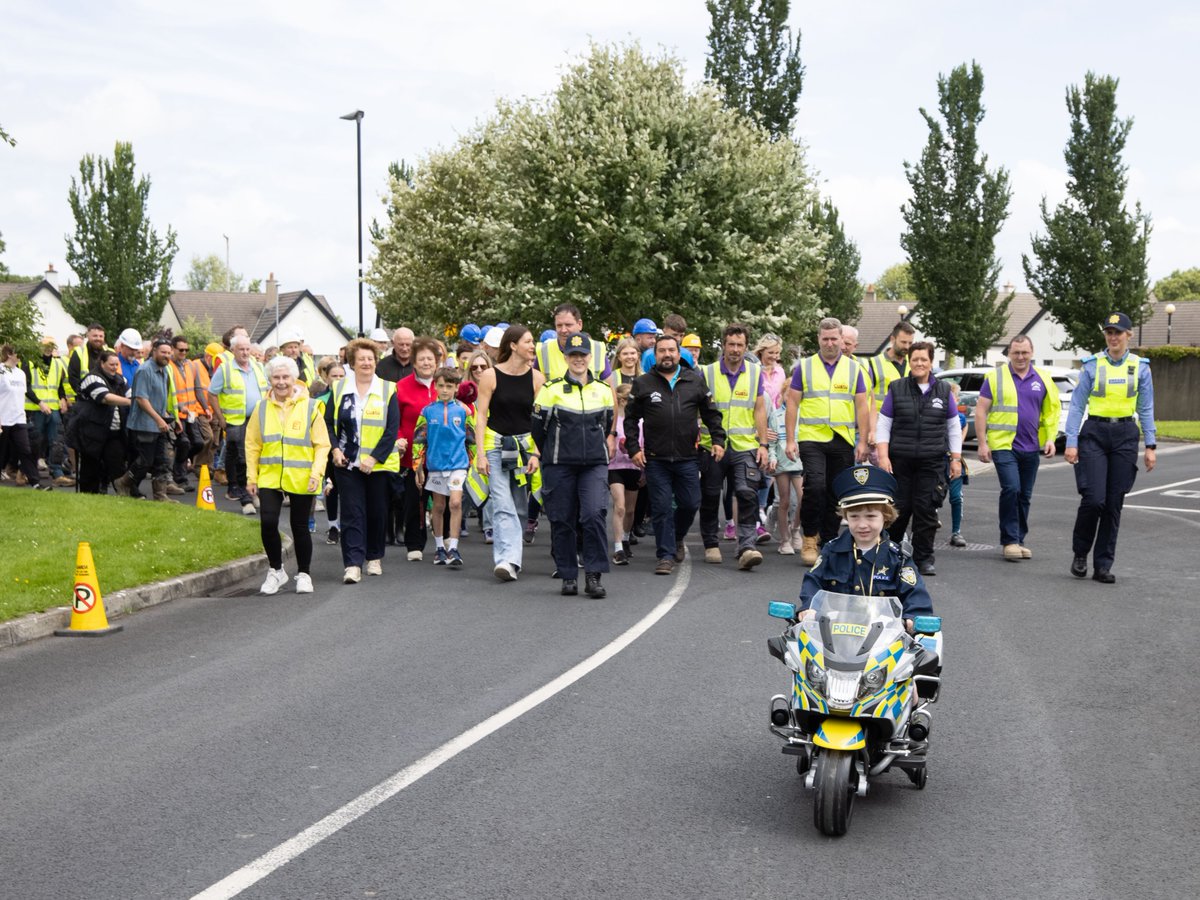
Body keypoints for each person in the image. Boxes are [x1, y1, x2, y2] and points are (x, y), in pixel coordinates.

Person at [1063, 312, 1157, 584]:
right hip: (1094, 434)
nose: (1113, 337)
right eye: (1109, 332)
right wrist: (1071, 442)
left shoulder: (1141, 367)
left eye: (1118, 332)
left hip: (1126, 435)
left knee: (1114, 504)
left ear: (1129, 335)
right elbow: (1077, 406)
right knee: (1094, 499)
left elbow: (1146, 407)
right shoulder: (1092, 365)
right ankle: (1080, 553)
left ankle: (1102, 565)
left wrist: (1150, 445)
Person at [625, 335, 725, 574]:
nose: (667, 355)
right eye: (662, 351)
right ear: (655, 354)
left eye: (671, 350)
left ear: (679, 354)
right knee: (660, 508)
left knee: (690, 503)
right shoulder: (643, 383)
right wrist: (633, 449)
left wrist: (718, 440)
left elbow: (711, 414)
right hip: (655, 458)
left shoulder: (695, 381)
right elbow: (630, 419)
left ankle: (677, 536)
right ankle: (665, 556)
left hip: (688, 457)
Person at [798, 464, 934, 630]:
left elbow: (915, 593)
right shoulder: (831, 551)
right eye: (854, 517)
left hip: (883, 639)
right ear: (845, 516)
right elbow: (813, 581)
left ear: (886, 516)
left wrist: (913, 616)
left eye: (870, 516)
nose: (862, 524)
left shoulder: (898, 558)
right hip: (833, 635)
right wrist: (808, 607)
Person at [531, 333, 614, 598]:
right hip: (559, 464)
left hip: (594, 464)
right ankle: (568, 575)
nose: (578, 360)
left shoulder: (602, 390)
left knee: (593, 515)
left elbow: (607, 423)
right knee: (562, 519)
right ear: (566, 358)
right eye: (573, 355)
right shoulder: (550, 389)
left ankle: (593, 575)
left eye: (583, 355)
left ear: (590, 358)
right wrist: (552, 454)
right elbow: (537, 429)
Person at [785, 317, 870, 565]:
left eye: (834, 339)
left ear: (842, 340)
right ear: (818, 339)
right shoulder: (805, 367)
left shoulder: (854, 369)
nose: (830, 343)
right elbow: (792, 403)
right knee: (815, 486)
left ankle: (830, 540)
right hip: (812, 437)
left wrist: (862, 441)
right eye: (826, 339)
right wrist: (790, 440)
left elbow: (862, 406)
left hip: (842, 438)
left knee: (837, 492)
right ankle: (810, 536)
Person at [874, 342, 962, 577]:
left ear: (931, 362)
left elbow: (953, 427)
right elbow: (884, 424)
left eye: (924, 359)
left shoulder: (944, 391)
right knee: (898, 510)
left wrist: (956, 459)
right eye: (915, 360)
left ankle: (924, 558)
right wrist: (883, 456)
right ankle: (889, 556)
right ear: (910, 362)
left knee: (926, 510)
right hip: (900, 461)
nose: (919, 363)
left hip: (932, 462)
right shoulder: (897, 388)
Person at [246, 355, 331, 595]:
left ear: (295, 379)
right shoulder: (261, 408)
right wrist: (252, 476)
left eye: (286, 377)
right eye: (276, 377)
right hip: (270, 476)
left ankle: (304, 573)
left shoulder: (311, 407)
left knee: (299, 526)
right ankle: (276, 571)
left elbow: (322, 445)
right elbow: (252, 444)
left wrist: (317, 473)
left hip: (302, 475)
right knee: (269, 523)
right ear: (269, 379)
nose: (281, 382)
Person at [975, 335, 1062, 561]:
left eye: (1024, 352)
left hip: (1031, 446)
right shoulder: (995, 377)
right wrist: (983, 443)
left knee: (1025, 495)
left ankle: (1019, 539)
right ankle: (1009, 541)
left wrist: (1051, 439)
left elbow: (1052, 412)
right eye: (1016, 353)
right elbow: (981, 410)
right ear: (1009, 354)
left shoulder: (1043, 378)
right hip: (1004, 444)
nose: (1021, 357)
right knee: (1012, 489)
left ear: (1032, 353)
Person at [469, 324, 545, 582]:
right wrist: (480, 454)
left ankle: (514, 559)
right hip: (495, 446)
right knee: (502, 504)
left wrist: (535, 453)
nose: (532, 346)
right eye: (528, 341)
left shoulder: (537, 379)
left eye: (533, 341)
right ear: (513, 345)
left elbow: (539, 420)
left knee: (520, 507)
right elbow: (480, 416)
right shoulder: (490, 376)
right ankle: (506, 560)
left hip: (524, 448)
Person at [326, 338, 401, 583]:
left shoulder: (388, 389)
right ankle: (353, 564)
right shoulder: (339, 389)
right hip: (346, 463)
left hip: (377, 465)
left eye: (370, 358)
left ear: (375, 362)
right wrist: (335, 449)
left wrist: (374, 457)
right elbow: (327, 423)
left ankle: (374, 556)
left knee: (377, 512)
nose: (366, 363)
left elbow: (392, 429)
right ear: (352, 362)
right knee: (352, 513)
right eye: (361, 359)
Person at [698, 324, 770, 571]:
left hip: (744, 445)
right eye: (731, 344)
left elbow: (759, 409)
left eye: (740, 345)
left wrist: (763, 444)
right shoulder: (706, 373)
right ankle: (710, 543)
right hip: (712, 446)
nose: (736, 350)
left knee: (747, 493)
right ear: (723, 346)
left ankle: (747, 547)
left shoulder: (754, 372)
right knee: (709, 495)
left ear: (746, 347)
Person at [412, 365, 474, 568]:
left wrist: (473, 465)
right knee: (438, 506)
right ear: (435, 387)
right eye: (441, 386)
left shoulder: (464, 410)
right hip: (436, 466)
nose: (445, 390)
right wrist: (418, 467)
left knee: (455, 503)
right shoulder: (428, 411)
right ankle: (439, 547)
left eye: (449, 386)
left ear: (456, 387)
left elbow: (471, 439)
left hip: (458, 465)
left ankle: (453, 547)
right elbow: (419, 440)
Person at [115, 338, 181, 502]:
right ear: (154, 352)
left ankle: (160, 495)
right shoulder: (145, 370)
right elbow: (141, 399)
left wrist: (167, 417)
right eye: (163, 352)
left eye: (168, 352)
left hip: (158, 423)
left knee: (162, 460)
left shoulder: (165, 370)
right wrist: (158, 419)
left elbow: (160, 398)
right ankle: (123, 482)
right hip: (143, 424)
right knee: (145, 461)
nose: (166, 355)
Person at [208, 334, 268, 515]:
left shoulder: (258, 367)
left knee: (253, 457)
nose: (245, 352)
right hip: (236, 421)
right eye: (241, 349)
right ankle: (246, 498)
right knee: (243, 458)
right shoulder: (225, 369)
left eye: (247, 349)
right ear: (232, 350)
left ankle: (248, 489)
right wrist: (220, 417)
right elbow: (212, 394)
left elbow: (266, 390)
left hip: (257, 419)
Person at [394, 337, 441, 560]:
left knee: (444, 499)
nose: (426, 363)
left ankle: (447, 541)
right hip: (413, 456)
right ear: (413, 362)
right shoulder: (401, 388)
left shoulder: (445, 384)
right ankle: (415, 543)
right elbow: (396, 421)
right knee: (415, 500)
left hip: (443, 454)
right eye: (421, 359)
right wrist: (399, 440)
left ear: (437, 361)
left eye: (430, 359)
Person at [73, 350, 132, 493]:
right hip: (91, 432)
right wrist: (132, 402)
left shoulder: (120, 379)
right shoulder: (92, 378)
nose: (114, 367)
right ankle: (87, 497)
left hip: (113, 431)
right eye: (111, 364)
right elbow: (105, 397)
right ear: (102, 363)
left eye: (117, 364)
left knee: (117, 467)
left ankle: (124, 496)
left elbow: (132, 394)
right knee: (90, 468)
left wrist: (136, 400)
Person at [22, 336, 72, 486]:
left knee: (57, 440)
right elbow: (26, 386)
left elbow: (60, 386)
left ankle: (57, 473)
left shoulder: (58, 363)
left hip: (53, 408)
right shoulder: (29, 363)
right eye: (45, 345)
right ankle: (24, 471)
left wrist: (62, 398)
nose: (48, 348)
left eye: (51, 345)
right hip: (35, 408)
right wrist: (39, 402)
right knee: (35, 442)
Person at [0, 345, 47, 489]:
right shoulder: (1, 370)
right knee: (1, 452)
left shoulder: (21, 373)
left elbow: (23, 394)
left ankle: (35, 482)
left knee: (25, 450)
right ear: (9, 354)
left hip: (19, 418)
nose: (21, 356)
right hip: (3, 418)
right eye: (18, 353)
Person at [866, 320, 914, 447]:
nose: (907, 347)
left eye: (910, 343)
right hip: (881, 425)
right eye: (903, 342)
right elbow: (866, 399)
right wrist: (871, 430)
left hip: (907, 425)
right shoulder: (874, 363)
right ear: (892, 339)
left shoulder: (914, 362)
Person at [608, 383, 641, 565]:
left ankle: (626, 538)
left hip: (633, 467)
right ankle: (618, 547)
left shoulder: (639, 421)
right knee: (619, 507)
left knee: (630, 510)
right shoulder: (613, 421)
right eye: (630, 399)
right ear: (621, 400)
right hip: (614, 467)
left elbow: (643, 444)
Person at [766, 398, 803, 554]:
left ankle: (795, 529)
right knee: (784, 500)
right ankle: (784, 540)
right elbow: (772, 443)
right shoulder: (776, 415)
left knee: (803, 497)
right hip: (781, 463)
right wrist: (772, 458)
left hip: (798, 462)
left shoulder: (804, 413)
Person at [536, 304, 608, 380]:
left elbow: (609, 388)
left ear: (579, 324)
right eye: (559, 325)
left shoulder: (598, 349)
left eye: (568, 325)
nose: (563, 330)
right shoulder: (543, 351)